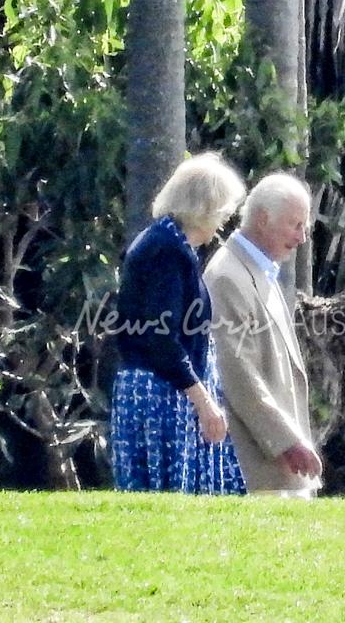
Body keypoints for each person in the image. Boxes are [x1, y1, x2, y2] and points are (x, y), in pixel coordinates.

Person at [110, 152, 246, 494]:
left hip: (164, 390)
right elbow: (162, 338)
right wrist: (204, 401)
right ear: (207, 208)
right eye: (224, 212)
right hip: (162, 396)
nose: (224, 222)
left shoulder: (163, 241)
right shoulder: (166, 249)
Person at [204, 172, 323, 497]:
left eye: (305, 227)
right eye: (295, 225)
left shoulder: (259, 271)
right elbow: (237, 372)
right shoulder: (228, 277)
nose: (302, 238)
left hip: (279, 467)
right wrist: (287, 441)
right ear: (261, 219)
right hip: (259, 468)